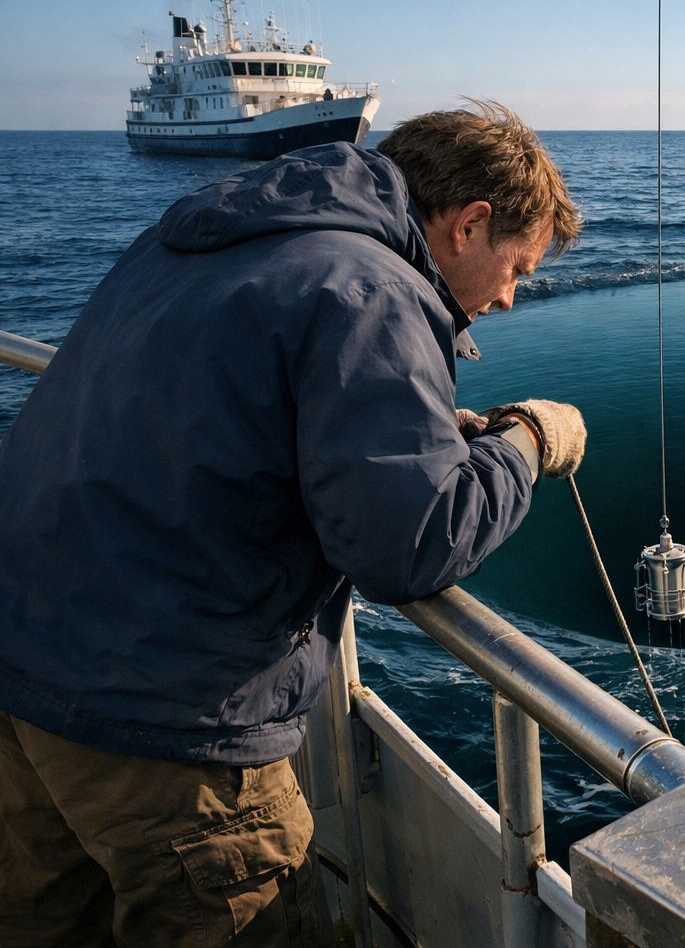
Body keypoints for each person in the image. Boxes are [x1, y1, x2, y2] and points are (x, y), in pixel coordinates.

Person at [0, 99, 583, 945]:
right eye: (517, 266)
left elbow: (222, 410)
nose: (508, 297)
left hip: (25, 669)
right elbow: (412, 544)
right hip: (166, 721)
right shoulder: (373, 288)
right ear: (469, 224)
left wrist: (410, 430)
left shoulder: (213, 234)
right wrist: (528, 442)